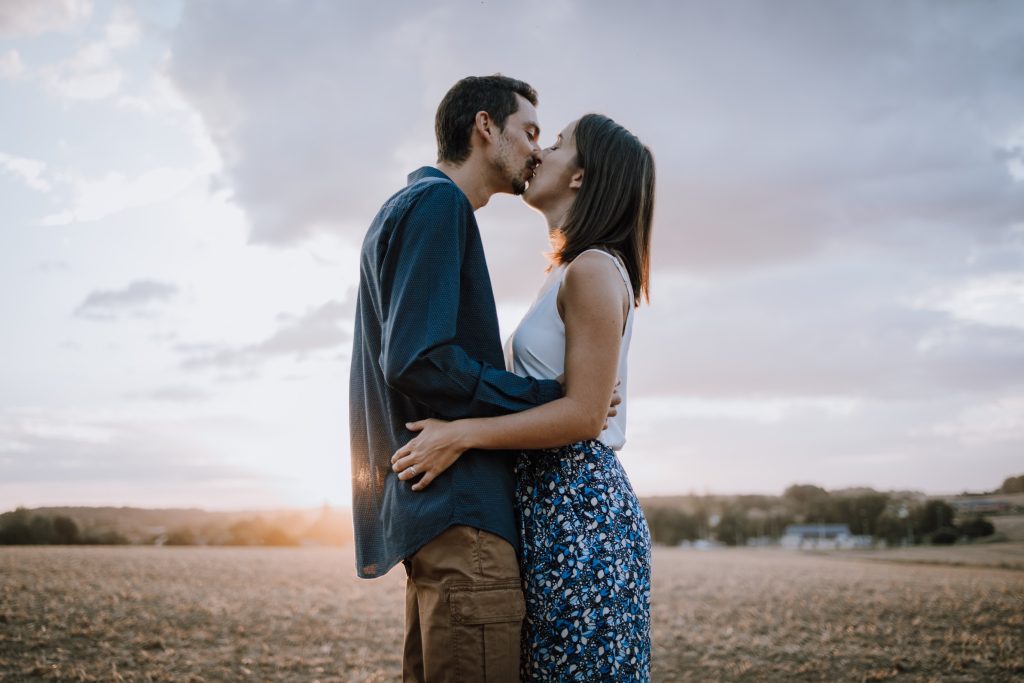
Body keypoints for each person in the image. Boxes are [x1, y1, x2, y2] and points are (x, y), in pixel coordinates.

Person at [349, 75, 618, 683]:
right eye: (528, 132)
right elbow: (417, 358)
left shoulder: (405, 206)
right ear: (484, 127)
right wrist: (551, 397)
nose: (535, 151)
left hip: (436, 517)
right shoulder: (438, 204)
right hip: (463, 515)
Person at [391, 113, 656, 681]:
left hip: (579, 509)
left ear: (582, 177)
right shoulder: (566, 272)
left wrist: (460, 434)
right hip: (547, 502)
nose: (540, 153)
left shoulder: (592, 270)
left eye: (556, 144)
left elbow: (585, 415)